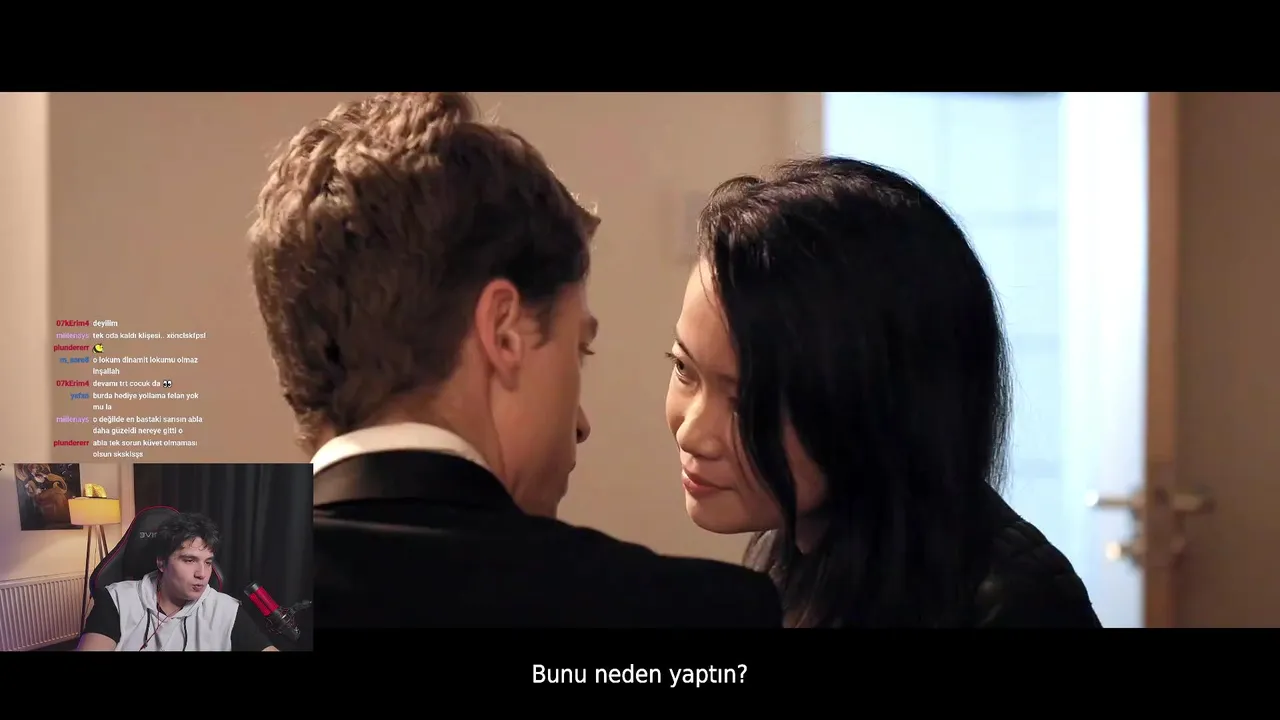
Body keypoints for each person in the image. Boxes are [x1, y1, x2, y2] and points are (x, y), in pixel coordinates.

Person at [248, 91, 781, 627]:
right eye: (578, 350)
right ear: (503, 333)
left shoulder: (215, 610)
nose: (581, 425)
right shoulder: (696, 614)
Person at [664, 156, 1102, 628]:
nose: (692, 433)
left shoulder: (1017, 605)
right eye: (684, 369)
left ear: (876, 403)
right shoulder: (792, 545)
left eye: (749, 401)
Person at [77, 512, 278, 650]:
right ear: (162, 563)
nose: (202, 574)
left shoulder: (226, 610)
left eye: (208, 562)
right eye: (189, 560)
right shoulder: (117, 600)